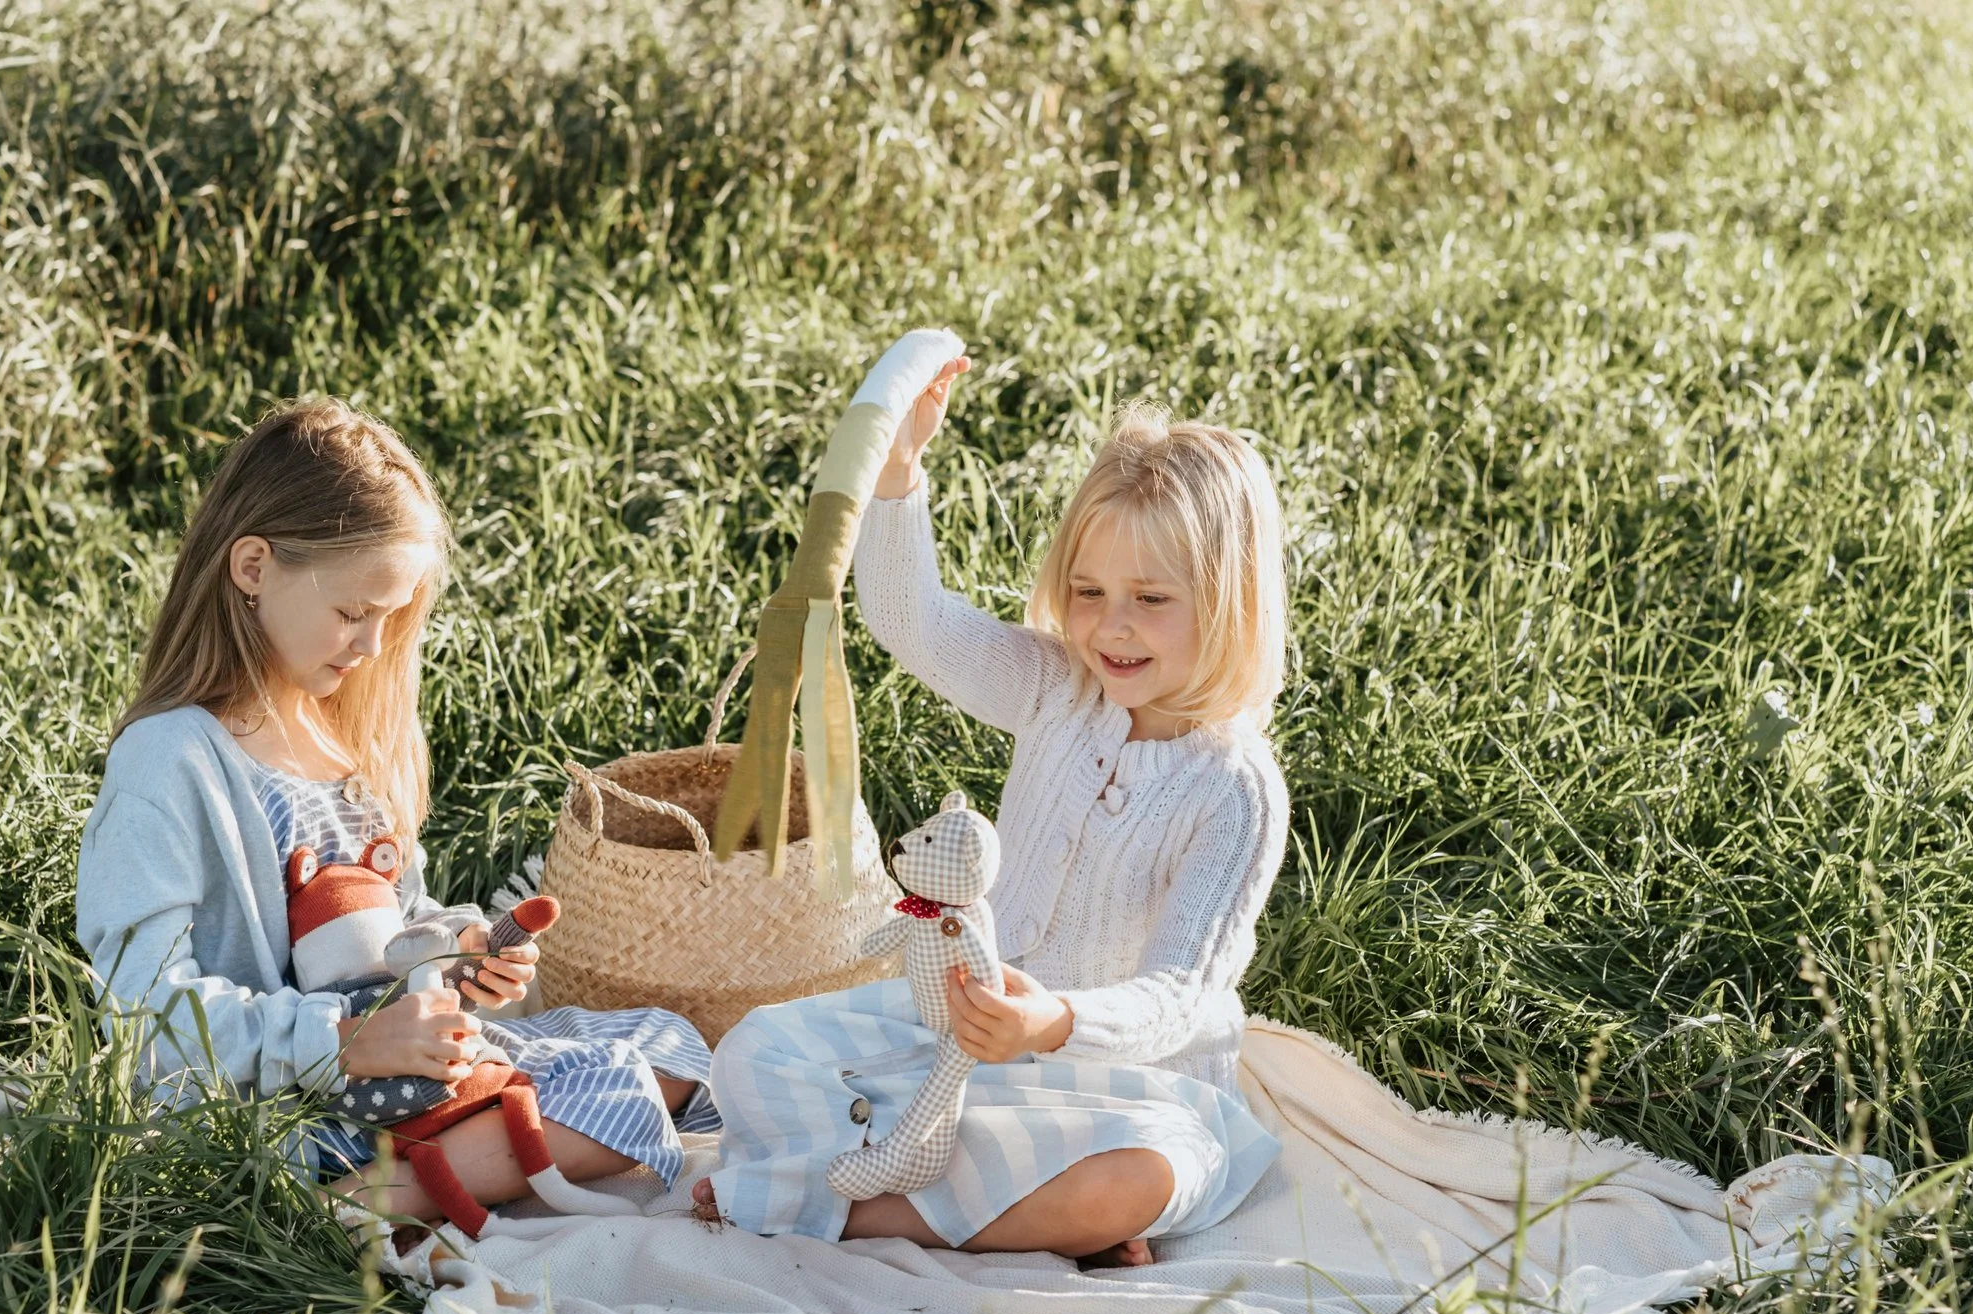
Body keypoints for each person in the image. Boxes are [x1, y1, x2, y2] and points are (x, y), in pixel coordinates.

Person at [697, 359, 1289, 1266]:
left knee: (1135, 1180)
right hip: (965, 1040)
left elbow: (1180, 995)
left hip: (1126, 1087)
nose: (1111, 628)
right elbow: (915, 622)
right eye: (1088, 593)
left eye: (1152, 601)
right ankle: (999, 1207)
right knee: (755, 1048)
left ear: (1231, 603)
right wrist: (899, 474)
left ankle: (858, 1211)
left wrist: (1055, 1022)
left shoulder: (1232, 789)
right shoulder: (1058, 687)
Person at [76, 397, 712, 1225]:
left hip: (394, 1072)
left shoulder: (338, 738)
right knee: (621, 1090)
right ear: (252, 567)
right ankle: (349, 1206)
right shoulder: (171, 759)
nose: (373, 645)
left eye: (391, 617)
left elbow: (395, 928)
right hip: (282, 1104)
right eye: (352, 612)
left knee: (674, 1043)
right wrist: (341, 1046)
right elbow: (139, 1011)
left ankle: (442, 1157)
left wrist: (459, 955)